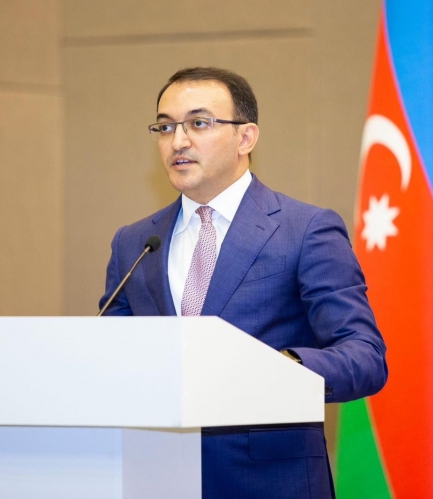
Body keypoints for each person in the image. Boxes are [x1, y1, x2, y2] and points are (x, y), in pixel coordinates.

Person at [99, 67, 387, 499]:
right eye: (166, 127)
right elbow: (110, 354)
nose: (178, 141)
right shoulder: (135, 242)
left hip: (270, 483)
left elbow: (364, 357)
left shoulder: (305, 229)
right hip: (155, 478)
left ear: (245, 138)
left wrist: (281, 369)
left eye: (198, 123)